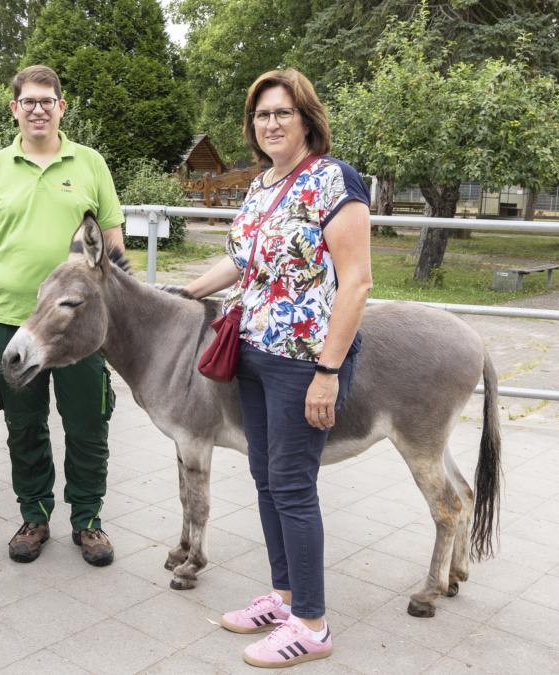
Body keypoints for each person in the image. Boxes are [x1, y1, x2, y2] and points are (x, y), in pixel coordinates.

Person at [183, 69, 373, 668]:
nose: (270, 124)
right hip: (255, 354)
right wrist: (183, 293)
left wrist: (328, 371)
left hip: (303, 362)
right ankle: (285, 597)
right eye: (262, 115)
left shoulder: (331, 180)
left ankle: (312, 625)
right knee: (267, 480)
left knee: (293, 486)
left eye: (282, 113)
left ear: (307, 118)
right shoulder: (263, 186)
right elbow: (241, 263)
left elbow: (358, 282)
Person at [0, 65, 125, 567]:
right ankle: (33, 514)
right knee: (25, 425)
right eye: (28, 101)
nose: (37, 109)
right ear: (14, 108)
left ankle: (88, 520)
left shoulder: (91, 164)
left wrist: (115, 321)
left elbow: (113, 245)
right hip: (11, 321)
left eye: (46, 100)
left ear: (61, 106)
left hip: (79, 330)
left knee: (87, 422)